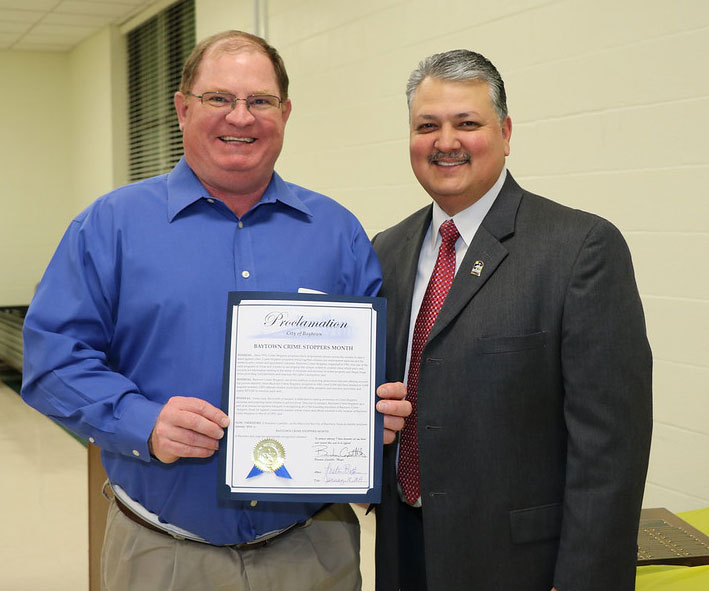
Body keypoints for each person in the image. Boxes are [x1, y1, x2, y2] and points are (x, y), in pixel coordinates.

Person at [21, 30, 409, 591]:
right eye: (219, 98)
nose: (241, 117)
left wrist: (376, 411)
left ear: (286, 112)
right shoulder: (111, 226)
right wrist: (143, 422)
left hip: (314, 550)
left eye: (260, 101)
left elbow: (373, 370)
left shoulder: (338, 233)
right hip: (163, 553)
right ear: (183, 108)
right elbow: (52, 360)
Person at [371, 49, 652, 591]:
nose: (445, 141)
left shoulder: (580, 249)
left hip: (520, 567)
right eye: (427, 125)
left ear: (504, 131)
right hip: (404, 551)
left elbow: (609, 455)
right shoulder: (387, 249)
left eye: (467, 123)